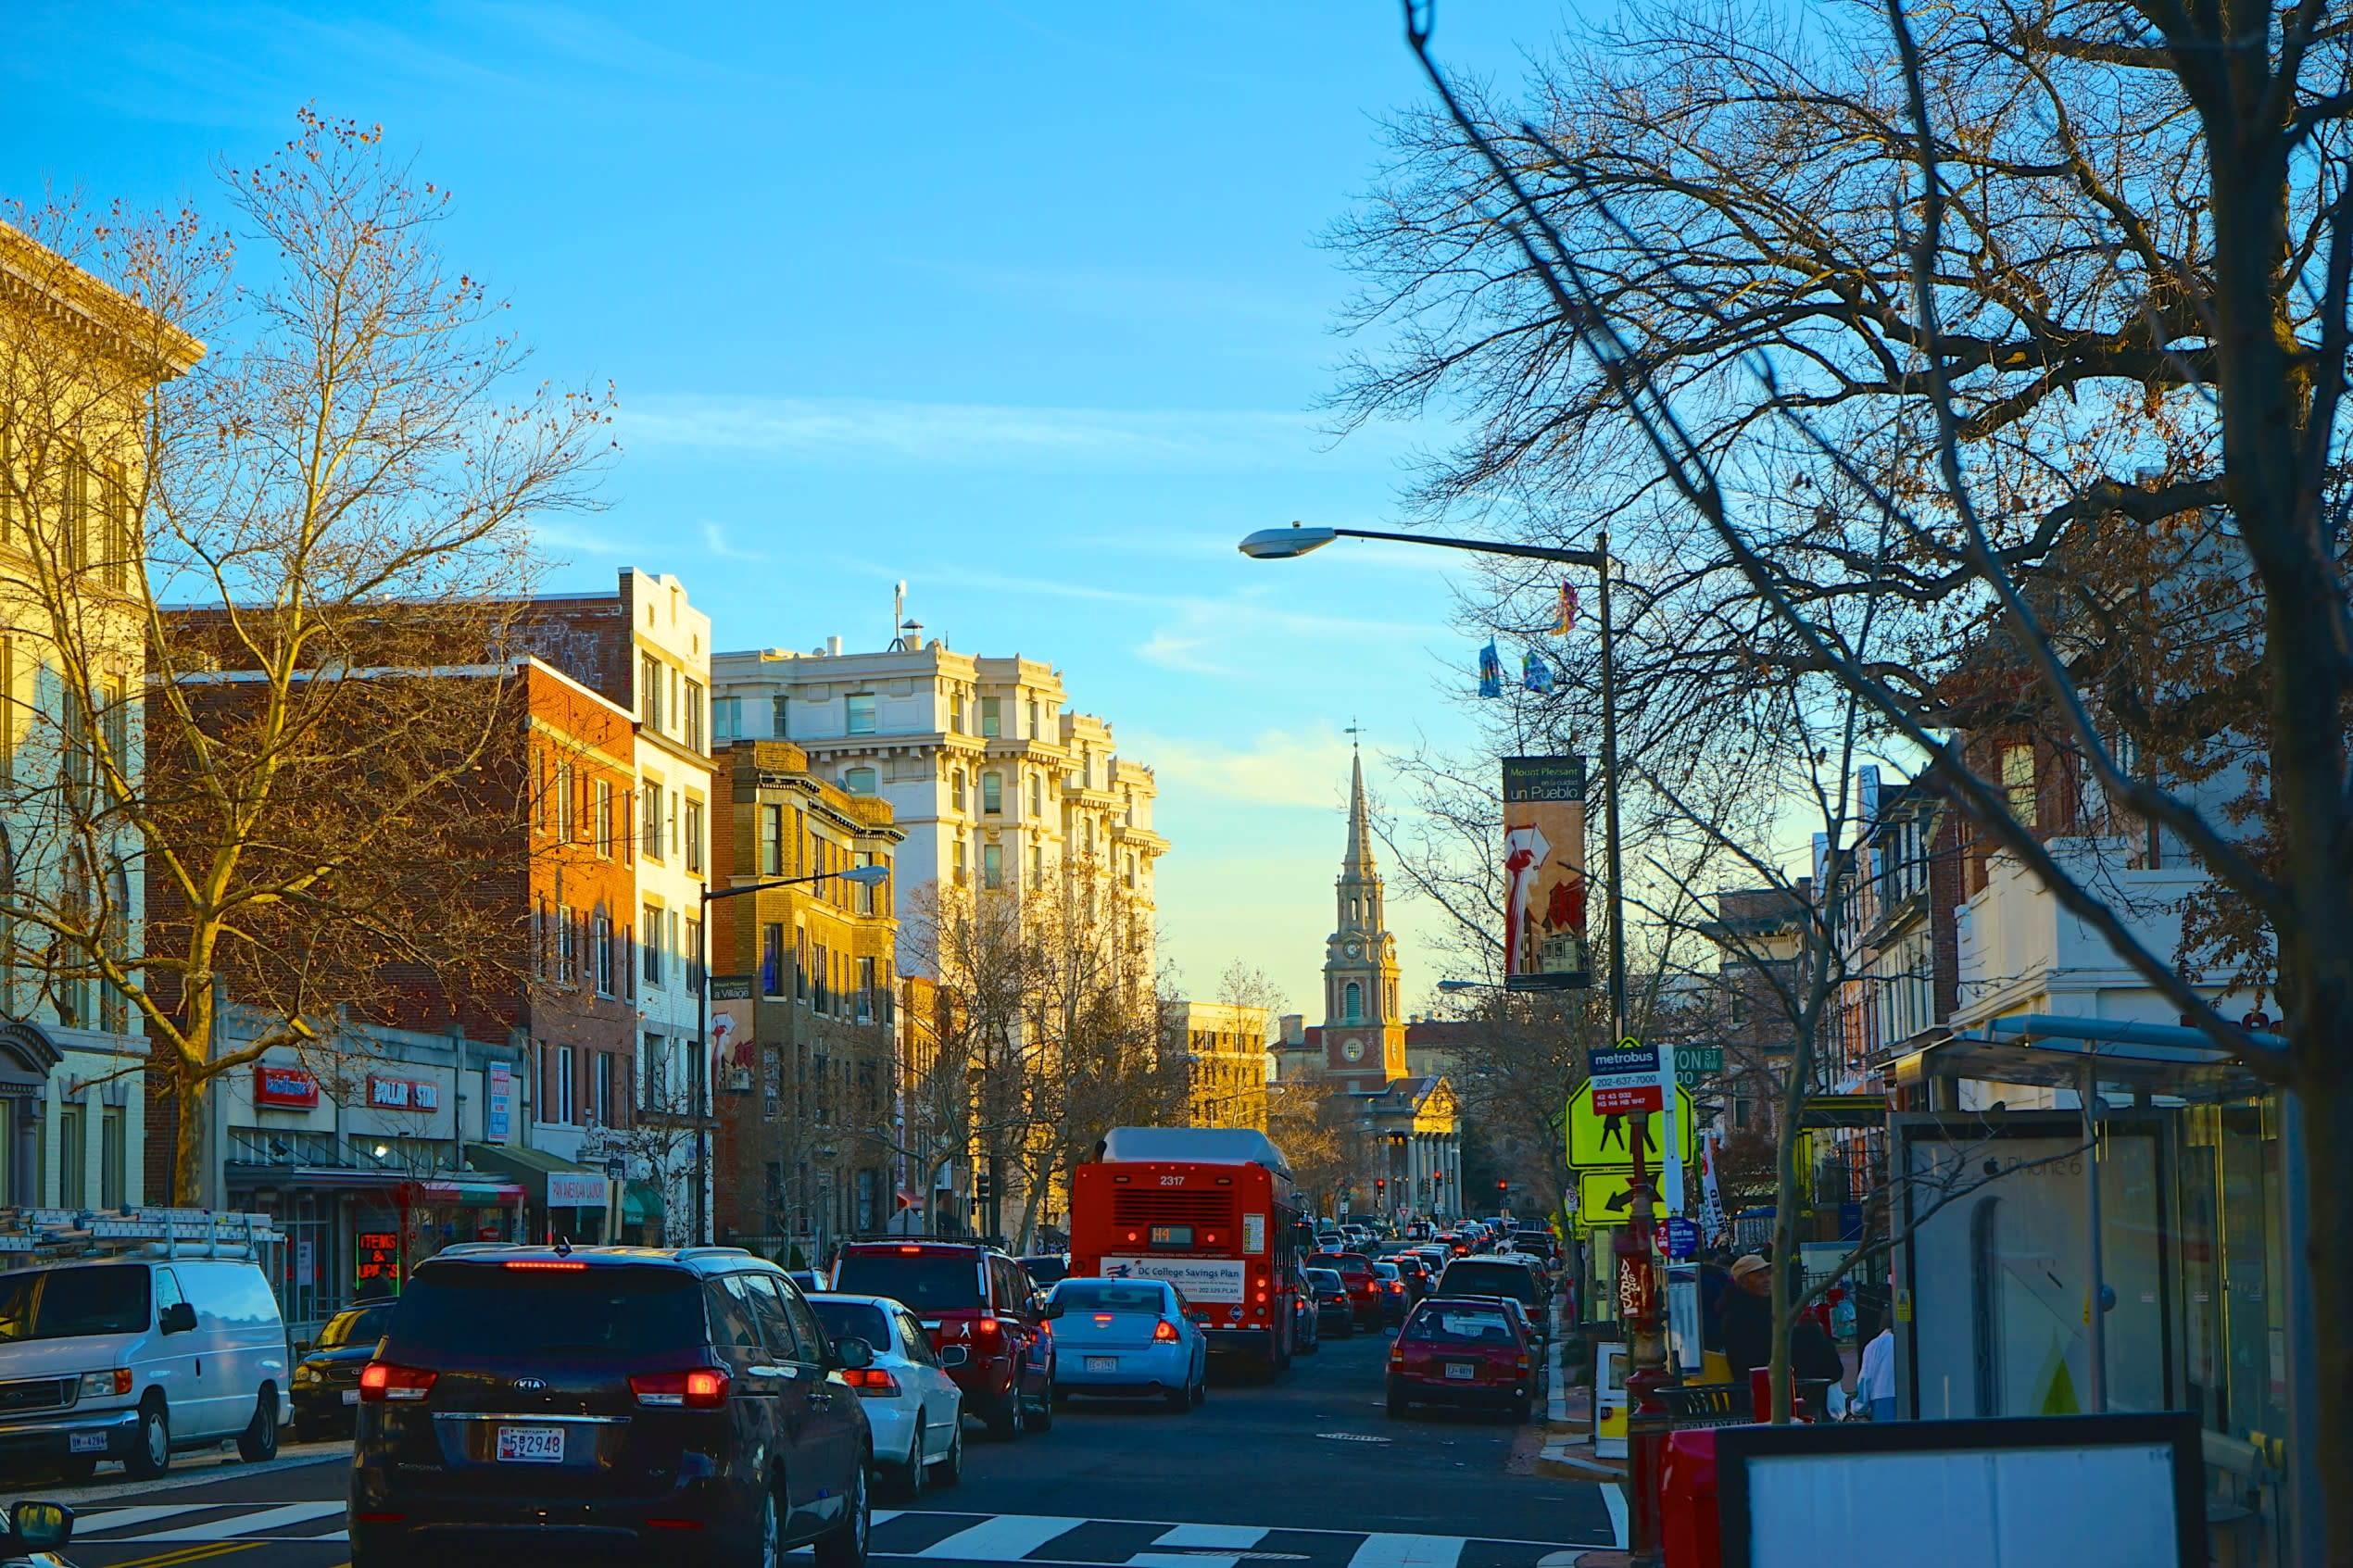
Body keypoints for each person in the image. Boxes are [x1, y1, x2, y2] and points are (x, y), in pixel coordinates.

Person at [1719, 1253, 1844, 1391]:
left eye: (1768, 1275)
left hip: (1796, 1383)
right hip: (1766, 1388)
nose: (1767, 1280)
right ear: (1743, 1281)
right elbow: (1754, 1359)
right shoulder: (1737, 1316)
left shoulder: (1771, 1309)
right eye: (1760, 1276)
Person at [1857, 1311, 1896, 1421]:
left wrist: (1858, 1407)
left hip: (1882, 1401)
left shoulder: (1874, 1345)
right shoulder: (1916, 1341)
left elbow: (1865, 1380)